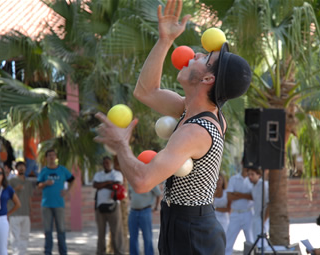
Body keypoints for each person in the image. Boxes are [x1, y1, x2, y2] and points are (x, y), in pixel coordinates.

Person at [93, 0, 251, 253]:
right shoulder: (193, 111)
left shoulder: (195, 130)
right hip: (182, 223)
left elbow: (143, 181)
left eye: (205, 57)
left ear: (208, 78)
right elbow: (146, 91)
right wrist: (165, 40)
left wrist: (121, 145)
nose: (195, 54)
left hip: (192, 230)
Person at [37, 149, 75, 255]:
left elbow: (72, 179)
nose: (52, 157)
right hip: (46, 205)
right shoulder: (44, 171)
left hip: (59, 204)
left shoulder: (62, 170)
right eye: (49, 155)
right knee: (47, 231)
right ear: (46, 158)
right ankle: (47, 252)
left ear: (56, 157)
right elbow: (38, 185)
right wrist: (45, 183)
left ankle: (63, 252)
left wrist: (67, 191)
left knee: (61, 230)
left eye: (53, 155)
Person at [93, 156, 125, 255]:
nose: (106, 164)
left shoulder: (117, 174)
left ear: (111, 163)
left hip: (113, 205)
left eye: (108, 162)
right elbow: (95, 185)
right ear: (103, 164)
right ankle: (100, 252)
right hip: (100, 206)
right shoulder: (98, 174)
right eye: (104, 162)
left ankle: (118, 252)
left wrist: (102, 185)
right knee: (101, 233)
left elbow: (117, 185)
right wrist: (108, 183)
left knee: (117, 232)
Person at [225, 165, 254, 255]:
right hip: (235, 213)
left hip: (248, 213)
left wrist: (238, 194)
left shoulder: (252, 180)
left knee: (251, 241)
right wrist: (245, 196)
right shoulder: (234, 179)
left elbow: (252, 196)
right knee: (229, 240)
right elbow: (229, 196)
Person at [8, 161, 34, 255]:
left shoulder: (28, 182)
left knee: (25, 236)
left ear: (26, 168)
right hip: (14, 212)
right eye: (19, 167)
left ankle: (22, 253)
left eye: (23, 166)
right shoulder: (11, 181)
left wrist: (31, 210)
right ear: (16, 169)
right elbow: (6, 195)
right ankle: (16, 253)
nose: (21, 168)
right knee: (15, 236)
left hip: (25, 212)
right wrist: (15, 189)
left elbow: (29, 197)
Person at [128, 184, 161, 255]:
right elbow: (130, 194)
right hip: (133, 211)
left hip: (145, 211)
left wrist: (155, 207)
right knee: (133, 238)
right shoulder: (132, 181)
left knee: (147, 237)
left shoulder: (150, 180)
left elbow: (158, 194)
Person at [247, 168, 269, 248]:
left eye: (252, 174)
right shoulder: (253, 187)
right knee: (256, 242)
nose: (250, 176)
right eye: (248, 174)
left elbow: (269, 203)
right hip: (255, 216)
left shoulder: (264, 185)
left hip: (262, 218)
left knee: (262, 243)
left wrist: (264, 220)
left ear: (259, 175)